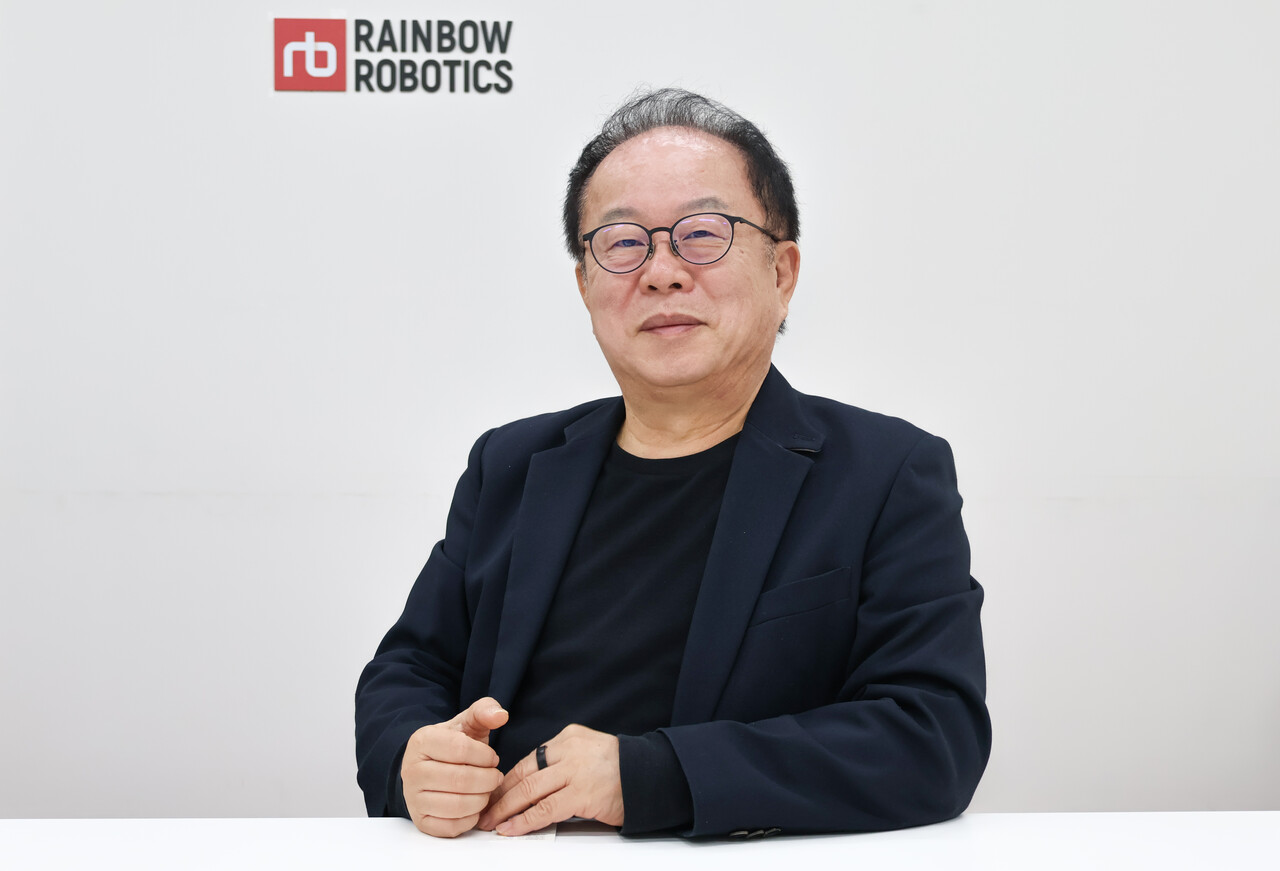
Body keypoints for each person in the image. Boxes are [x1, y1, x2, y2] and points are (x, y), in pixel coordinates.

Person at [355, 88, 990, 839]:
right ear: (585, 284)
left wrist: (649, 776)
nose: (661, 271)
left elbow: (930, 734)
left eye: (702, 234)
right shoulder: (512, 464)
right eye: (623, 242)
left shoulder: (886, 474)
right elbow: (410, 668)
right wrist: (413, 756)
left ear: (782, 272)